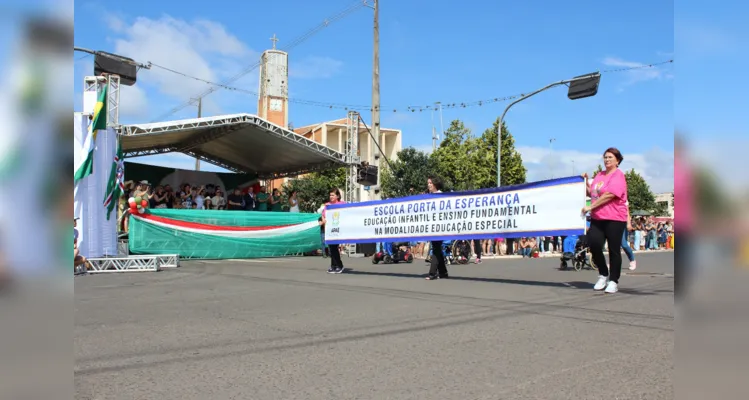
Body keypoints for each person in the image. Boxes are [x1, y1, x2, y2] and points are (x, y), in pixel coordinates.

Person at [582, 147, 629, 294]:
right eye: (605, 157)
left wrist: (591, 207)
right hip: (598, 217)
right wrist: (585, 183)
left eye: (610, 157)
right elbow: (593, 193)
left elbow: (609, 195)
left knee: (613, 249)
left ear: (617, 160)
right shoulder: (599, 175)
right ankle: (603, 274)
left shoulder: (618, 176)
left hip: (615, 218)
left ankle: (613, 280)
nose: (607, 160)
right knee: (594, 244)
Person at [425, 176, 448, 280]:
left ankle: (432, 273)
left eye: (430, 183)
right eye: (428, 183)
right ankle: (443, 272)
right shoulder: (429, 196)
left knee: (435, 248)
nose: (429, 185)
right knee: (437, 248)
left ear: (435, 184)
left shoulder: (440, 195)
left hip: (439, 227)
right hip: (432, 226)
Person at [319, 188, 345, 273]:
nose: (331, 197)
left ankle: (339, 265)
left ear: (337, 196)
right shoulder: (327, 205)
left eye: (333, 195)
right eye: (330, 195)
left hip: (337, 229)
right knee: (331, 248)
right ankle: (333, 266)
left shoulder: (342, 204)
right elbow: (323, 214)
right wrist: (323, 220)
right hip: (329, 229)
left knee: (334, 247)